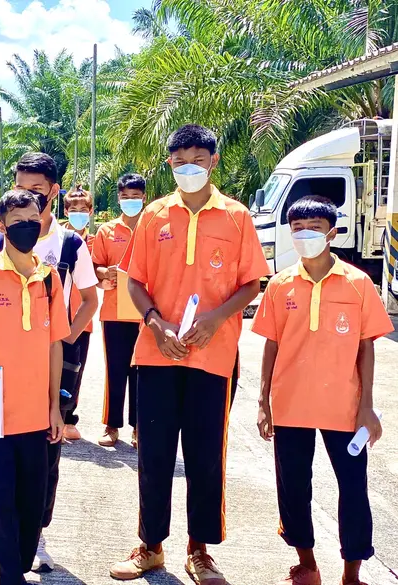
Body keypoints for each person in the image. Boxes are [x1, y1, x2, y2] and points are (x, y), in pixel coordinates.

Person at [109, 124, 269, 583]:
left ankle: (199, 551)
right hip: (157, 355)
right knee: (154, 454)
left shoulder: (236, 217)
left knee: (205, 455)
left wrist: (217, 320)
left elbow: (251, 284)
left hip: (213, 358)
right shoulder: (155, 215)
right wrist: (155, 324)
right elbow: (134, 281)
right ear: (169, 165)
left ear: (214, 161)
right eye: (180, 161)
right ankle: (150, 545)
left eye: (198, 159)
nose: (189, 168)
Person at [0, 152, 98, 572]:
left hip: (37, 414)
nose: (26, 228)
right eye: (17, 223)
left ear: (50, 201)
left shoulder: (50, 277)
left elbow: (55, 345)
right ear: (1, 227)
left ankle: (22, 559)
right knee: (2, 505)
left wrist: (54, 407)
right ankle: (2, 571)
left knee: (32, 504)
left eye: (33, 217)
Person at [251, 196, 393, 585]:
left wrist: (366, 407)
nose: (305, 235)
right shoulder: (281, 284)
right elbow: (272, 345)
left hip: (343, 407)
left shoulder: (358, 282)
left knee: (353, 488)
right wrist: (263, 402)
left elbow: (366, 348)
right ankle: (307, 563)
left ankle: (352, 572)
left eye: (314, 227)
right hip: (291, 403)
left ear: (332, 232)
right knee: (294, 487)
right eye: (297, 228)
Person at [92, 173, 146, 449]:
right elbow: (94, 266)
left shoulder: (155, 228)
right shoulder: (107, 231)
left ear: (144, 198)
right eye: (125, 197)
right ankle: (111, 425)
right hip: (114, 312)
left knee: (142, 371)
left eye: (135, 197)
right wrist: (105, 272)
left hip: (147, 315)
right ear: (118, 199)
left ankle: (139, 428)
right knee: (115, 370)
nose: (130, 202)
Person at [59, 186, 95, 441]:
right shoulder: (59, 240)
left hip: (82, 317)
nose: (79, 214)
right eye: (74, 210)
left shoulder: (95, 240)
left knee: (74, 369)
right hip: (56, 314)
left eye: (84, 210)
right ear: (66, 211)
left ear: (91, 212)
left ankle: (69, 416)